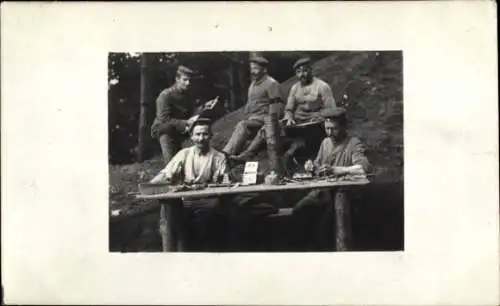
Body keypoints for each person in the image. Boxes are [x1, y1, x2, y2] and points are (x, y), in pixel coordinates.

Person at [292, 107, 372, 250]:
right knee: (299, 209)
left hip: (345, 192)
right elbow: (317, 165)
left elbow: (362, 168)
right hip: (323, 191)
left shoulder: (353, 143)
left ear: (343, 127)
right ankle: (308, 248)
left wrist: (336, 170)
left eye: (333, 129)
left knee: (333, 215)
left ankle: (339, 249)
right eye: (327, 128)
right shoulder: (326, 143)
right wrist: (310, 166)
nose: (329, 133)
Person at [232, 57, 336, 163]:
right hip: (297, 122)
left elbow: (331, 109)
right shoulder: (295, 88)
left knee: (304, 142)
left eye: (305, 71)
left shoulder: (322, 87)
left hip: (315, 123)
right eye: (299, 72)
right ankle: (249, 154)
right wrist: (289, 117)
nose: (302, 75)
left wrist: (320, 117)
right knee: (268, 127)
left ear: (310, 70)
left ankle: (296, 154)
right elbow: (288, 109)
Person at [150, 118, 228, 251]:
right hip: (186, 200)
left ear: (210, 136)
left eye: (204, 134)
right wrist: (150, 185)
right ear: (192, 137)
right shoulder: (184, 154)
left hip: (208, 200)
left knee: (209, 219)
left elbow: (224, 181)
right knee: (170, 216)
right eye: (197, 134)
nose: (201, 138)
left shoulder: (219, 157)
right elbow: (167, 173)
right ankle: (173, 253)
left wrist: (219, 182)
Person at [151, 65, 217, 165]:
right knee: (172, 164)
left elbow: (191, 112)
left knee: (191, 158)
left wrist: (204, 107)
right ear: (177, 79)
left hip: (182, 130)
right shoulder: (165, 96)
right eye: (185, 80)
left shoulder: (187, 94)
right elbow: (164, 119)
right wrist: (186, 122)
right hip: (165, 130)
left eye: (190, 80)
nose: (188, 83)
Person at [222, 56, 283, 158]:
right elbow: (251, 104)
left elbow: (276, 106)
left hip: (265, 120)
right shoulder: (254, 84)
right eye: (251, 69)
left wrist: (271, 123)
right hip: (254, 119)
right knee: (240, 126)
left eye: (256, 69)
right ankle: (232, 154)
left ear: (264, 70)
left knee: (242, 125)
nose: (252, 72)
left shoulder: (271, 84)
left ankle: (226, 153)